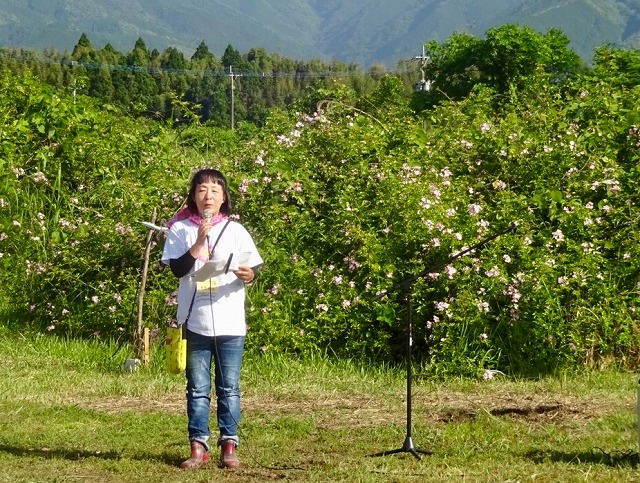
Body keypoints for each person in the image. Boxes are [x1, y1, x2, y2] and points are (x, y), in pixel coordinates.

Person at [161, 168, 263, 469]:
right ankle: (198, 446)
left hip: (230, 321)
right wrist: (198, 242)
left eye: (215, 191)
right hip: (195, 321)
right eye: (202, 190)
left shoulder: (236, 230)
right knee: (197, 388)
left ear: (223, 198)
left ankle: (229, 445)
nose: (208, 196)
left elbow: (254, 269)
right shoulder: (180, 229)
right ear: (193, 197)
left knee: (229, 386)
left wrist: (249, 275)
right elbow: (178, 269)